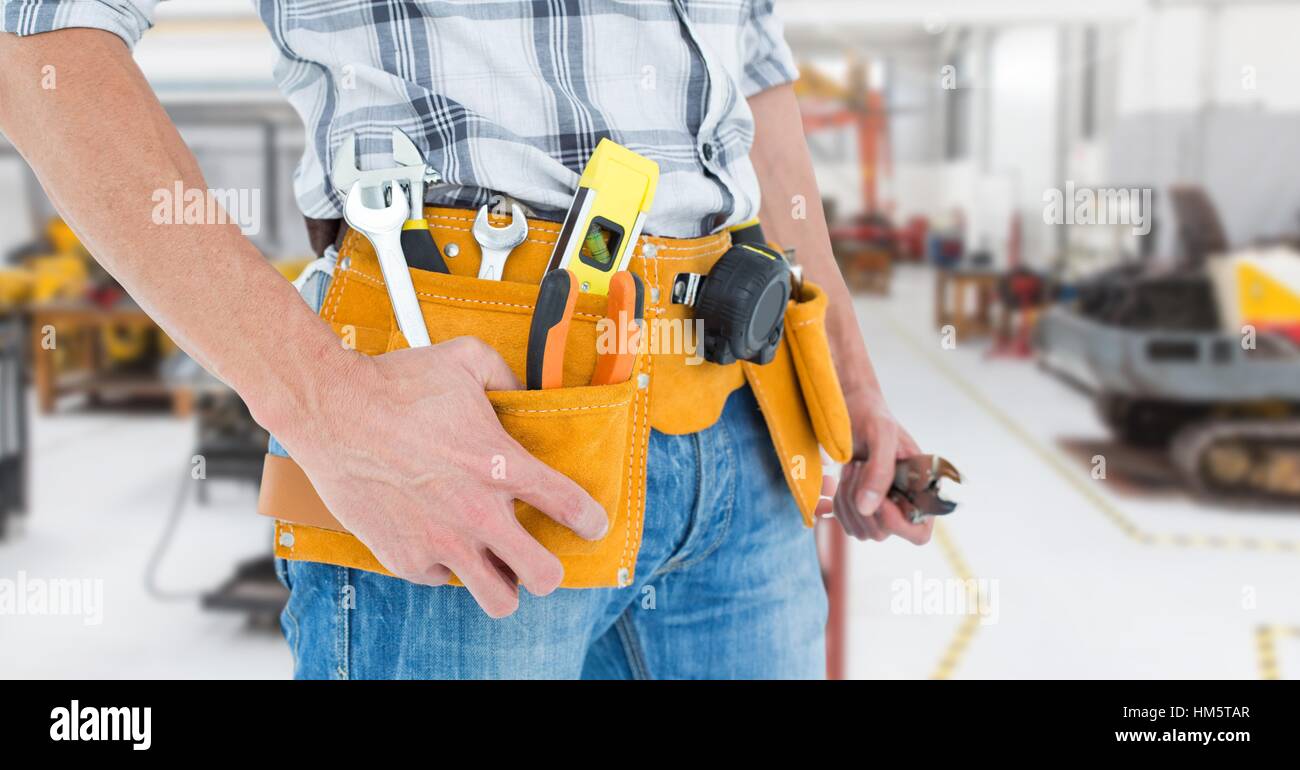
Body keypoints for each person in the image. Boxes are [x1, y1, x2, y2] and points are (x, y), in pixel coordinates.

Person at [0, 0, 931, 679]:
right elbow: (36, 41)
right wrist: (327, 401)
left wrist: (845, 370)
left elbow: (754, 68)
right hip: (469, 439)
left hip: (744, 428)